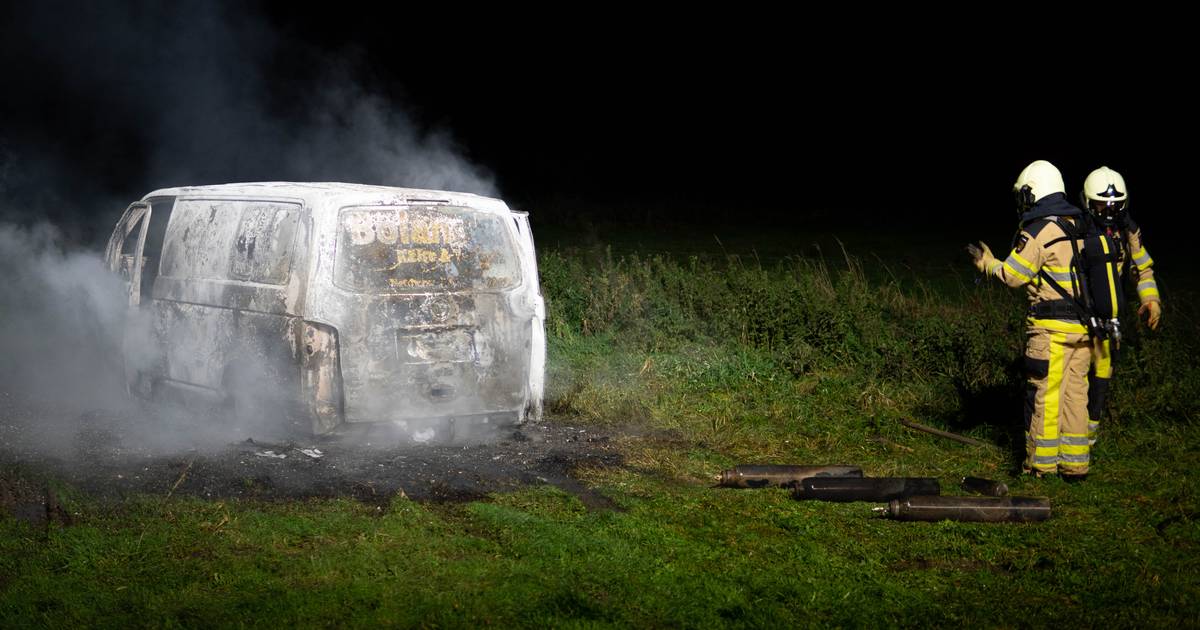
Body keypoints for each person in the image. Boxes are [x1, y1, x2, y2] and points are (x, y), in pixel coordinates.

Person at [966, 160, 1093, 481]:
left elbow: (1013, 275)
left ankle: (1041, 465)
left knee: (1045, 395)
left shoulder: (1038, 230)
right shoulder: (1081, 224)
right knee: (1075, 394)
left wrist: (987, 263)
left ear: (1033, 192)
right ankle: (1076, 464)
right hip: (1085, 329)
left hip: (1050, 330)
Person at [1080, 166, 1162, 446]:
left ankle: (1088, 438)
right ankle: (1069, 434)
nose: (1108, 211)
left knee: (1103, 374)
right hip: (1080, 310)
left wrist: (1150, 299)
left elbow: (1142, 268)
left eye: (1114, 205)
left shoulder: (1129, 229)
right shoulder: (1079, 228)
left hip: (1112, 311)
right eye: (1102, 205)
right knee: (1076, 375)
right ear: (1089, 202)